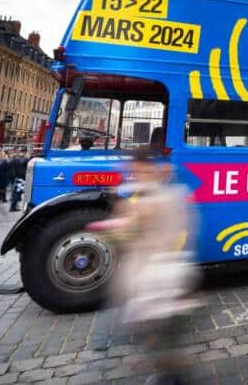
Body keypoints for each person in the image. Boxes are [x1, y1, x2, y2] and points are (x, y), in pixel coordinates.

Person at [90, 150, 198, 383]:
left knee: (161, 333)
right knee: (160, 334)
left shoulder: (156, 197)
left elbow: (166, 232)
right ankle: (170, 371)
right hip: (154, 276)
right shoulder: (149, 194)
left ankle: (172, 373)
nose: (130, 175)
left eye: (134, 171)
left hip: (159, 278)